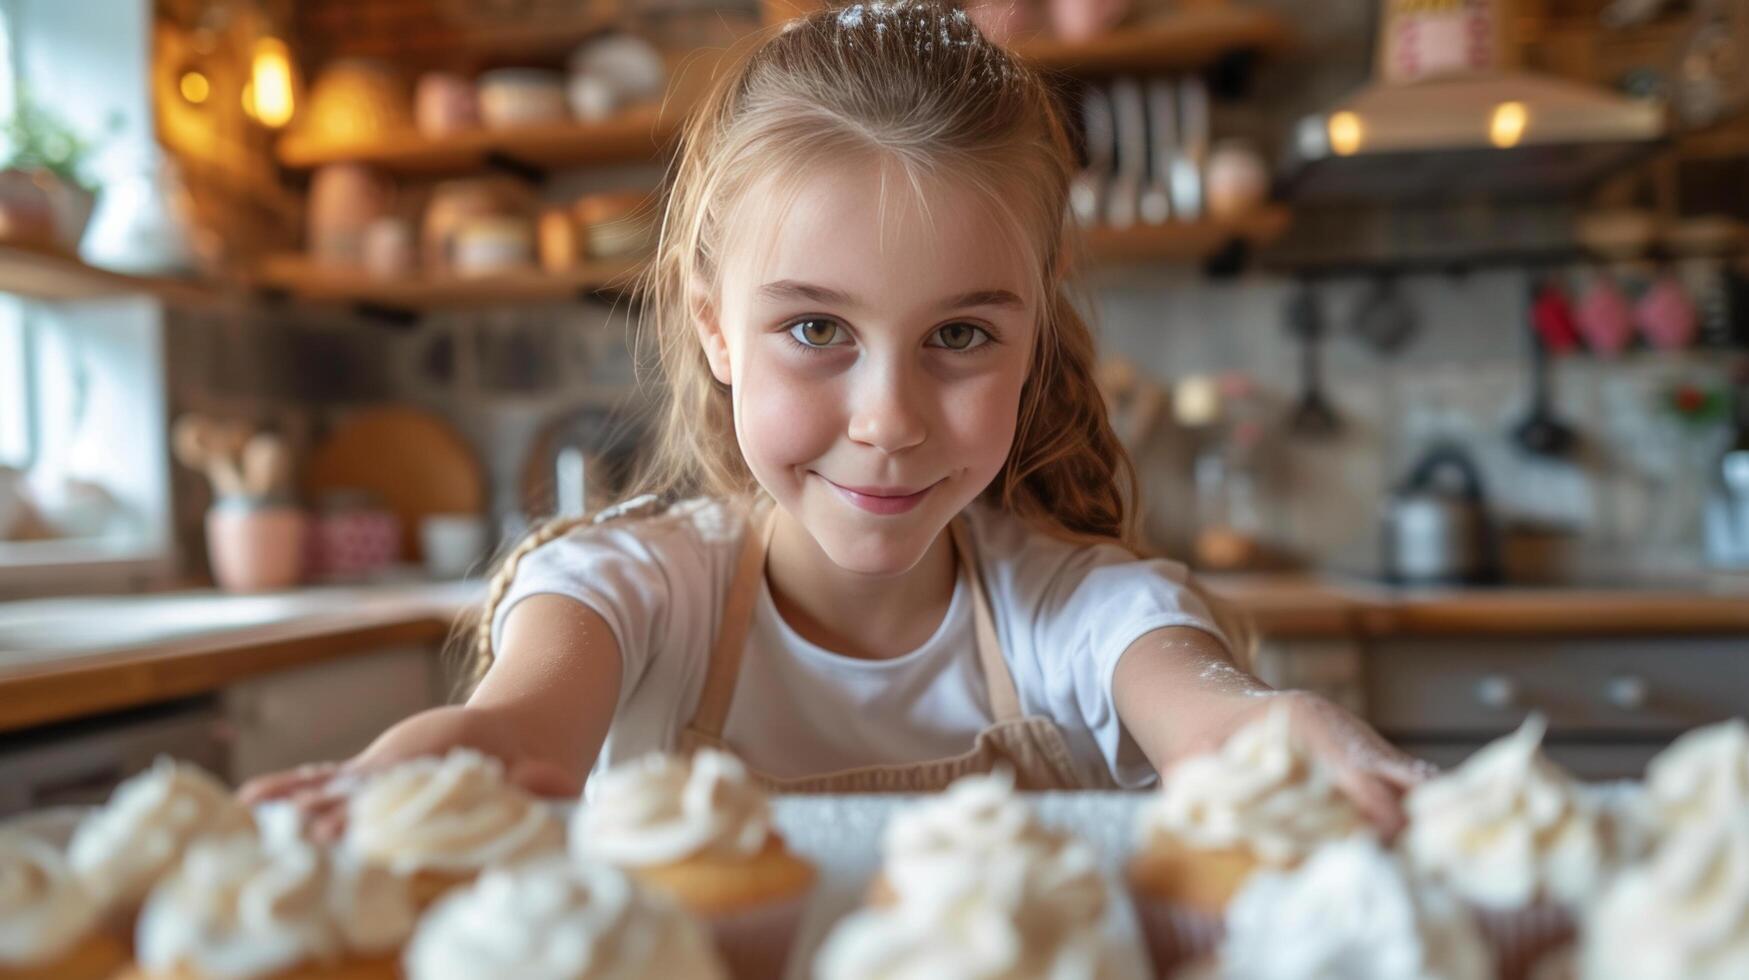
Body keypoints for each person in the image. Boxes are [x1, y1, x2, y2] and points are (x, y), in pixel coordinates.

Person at [245, 0, 1429, 833]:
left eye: (961, 335)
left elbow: (1211, 716)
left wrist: (1280, 730)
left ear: (1034, 333)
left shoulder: (1069, 609)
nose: (888, 419)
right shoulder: (638, 590)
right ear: (713, 326)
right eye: (816, 329)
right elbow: (519, 725)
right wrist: (434, 764)